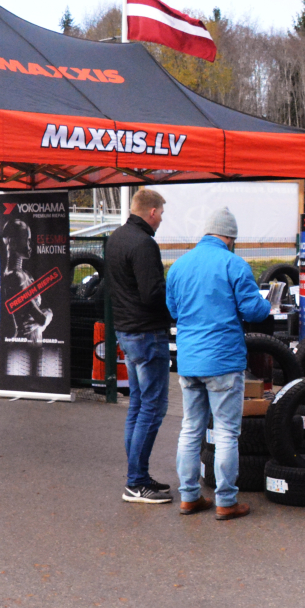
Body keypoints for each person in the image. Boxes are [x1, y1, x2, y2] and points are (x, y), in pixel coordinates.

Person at [165, 207, 270, 521]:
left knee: (190, 429)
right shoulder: (233, 264)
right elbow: (254, 311)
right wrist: (267, 302)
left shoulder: (178, 266)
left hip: (189, 361)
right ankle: (225, 501)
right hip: (223, 360)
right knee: (225, 432)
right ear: (230, 237)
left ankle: (189, 497)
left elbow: (173, 310)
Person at [104, 188, 174, 504]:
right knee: (152, 407)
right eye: (161, 213)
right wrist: (175, 301)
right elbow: (152, 293)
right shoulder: (145, 244)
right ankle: (135, 482)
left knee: (137, 405)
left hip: (126, 331)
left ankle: (138, 476)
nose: (161, 219)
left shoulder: (117, 238)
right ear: (152, 212)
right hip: (147, 334)